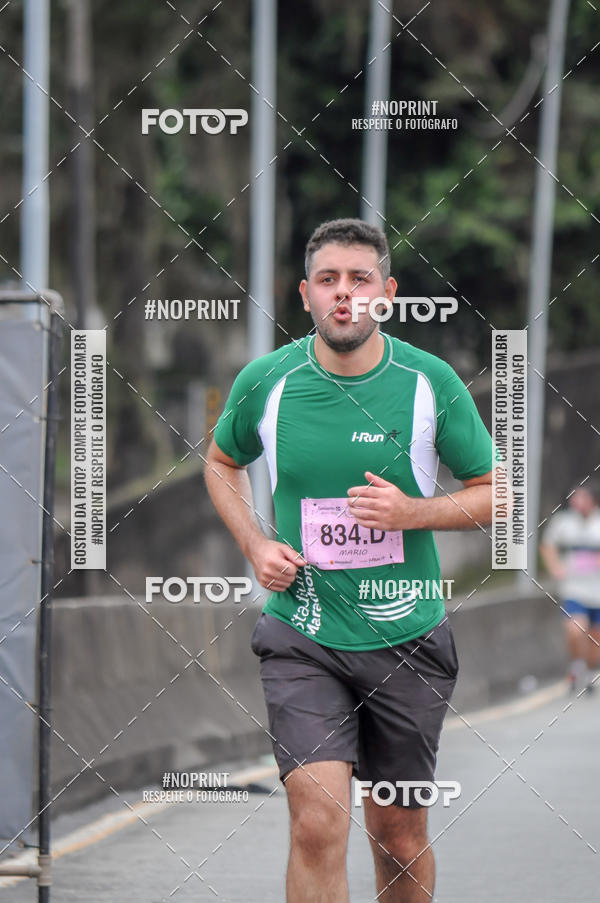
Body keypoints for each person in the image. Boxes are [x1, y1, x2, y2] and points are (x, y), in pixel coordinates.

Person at [205, 218, 494, 903]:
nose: (345, 294)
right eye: (328, 280)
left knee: (396, 835)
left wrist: (413, 512)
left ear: (386, 293)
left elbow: (496, 492)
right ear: (305, 294)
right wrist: (254, 542)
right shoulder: (267, 380)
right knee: (316, 819)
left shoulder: (430, 382)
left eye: (360, 279)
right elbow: (221, 463)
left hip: (407, 640)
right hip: (303, 634)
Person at [540, 485, 600, 694]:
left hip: (597, 592)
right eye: (574, 498)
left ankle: (590, 670)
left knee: (595, 641)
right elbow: (548, 545)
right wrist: (555, 566)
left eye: (582, 498)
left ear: (592, 500)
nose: (576, 502)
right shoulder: (564, 522)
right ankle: (576, 667)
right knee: (576, 629)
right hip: (574, 589)